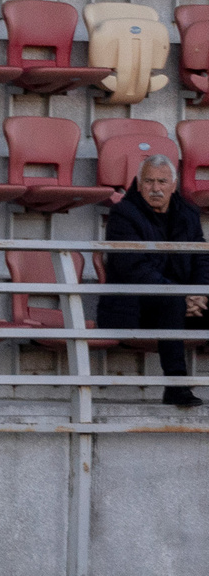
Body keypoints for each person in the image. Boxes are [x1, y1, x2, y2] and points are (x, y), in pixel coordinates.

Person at [98, 155, 206, 410]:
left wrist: (201, 294)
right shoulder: (123, 214)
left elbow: (202, 259)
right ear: (138, 184)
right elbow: (133, 269)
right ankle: (176, 387)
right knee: (170, 303)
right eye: (148, 181)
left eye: (161, 181)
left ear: (173, 184)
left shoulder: (188, 213)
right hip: (133, 307)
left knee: (177, 302)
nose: (155, 188)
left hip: (182, 303)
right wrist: (181, 297)